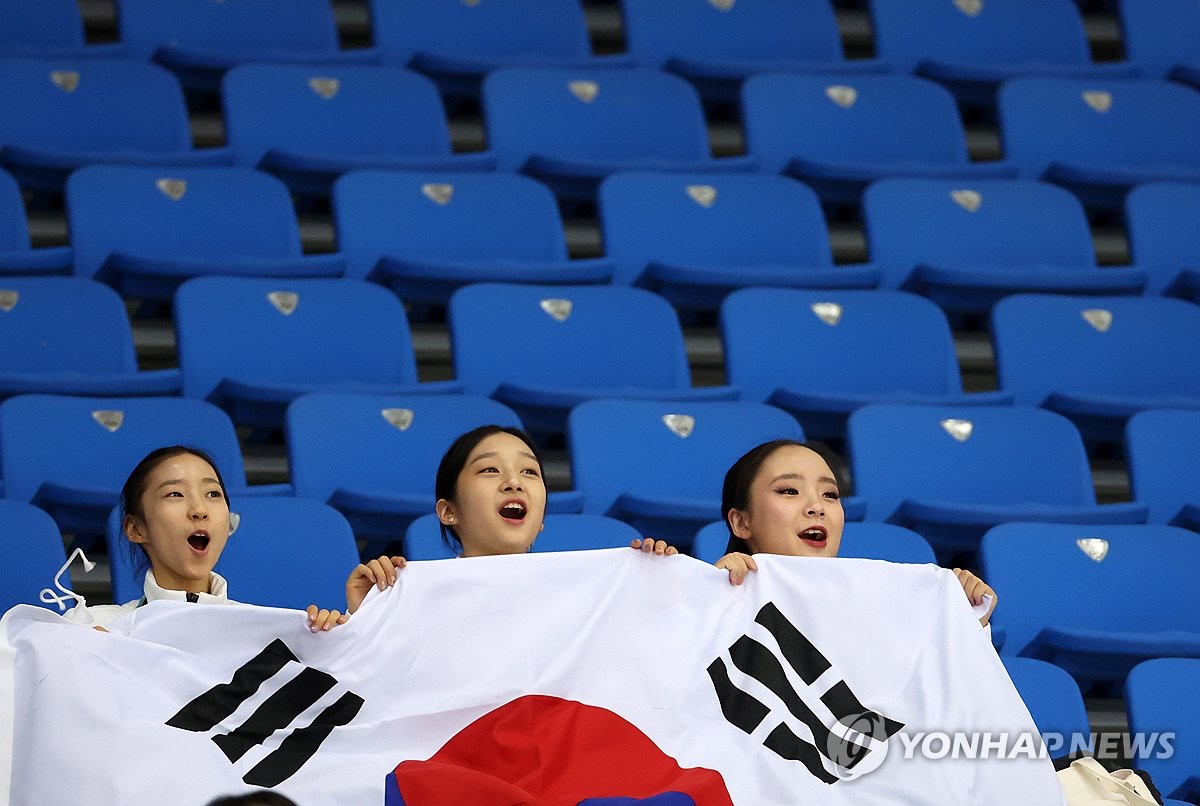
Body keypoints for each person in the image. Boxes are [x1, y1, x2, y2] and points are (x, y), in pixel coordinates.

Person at [310, 425, 678, 626]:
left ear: (541, 522)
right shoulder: (407, 603)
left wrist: (664, 591)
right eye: (489, 469)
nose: (513, 482)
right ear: (447, 511)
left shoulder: (594, 600)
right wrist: (363, 625)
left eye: (529, 471)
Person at [713, 439, 998, 626]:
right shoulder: (711, 607)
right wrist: (709, 596)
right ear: (741, 523)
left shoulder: (882, 611)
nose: (816, 506)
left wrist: (965, 619)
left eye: (830, 494)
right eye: (789, 490)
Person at [66, 446, 238, 629]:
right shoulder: (87, 627)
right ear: (136, 529)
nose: (199, 510)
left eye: (213, 494)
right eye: (175, 494)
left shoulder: (263, 633)